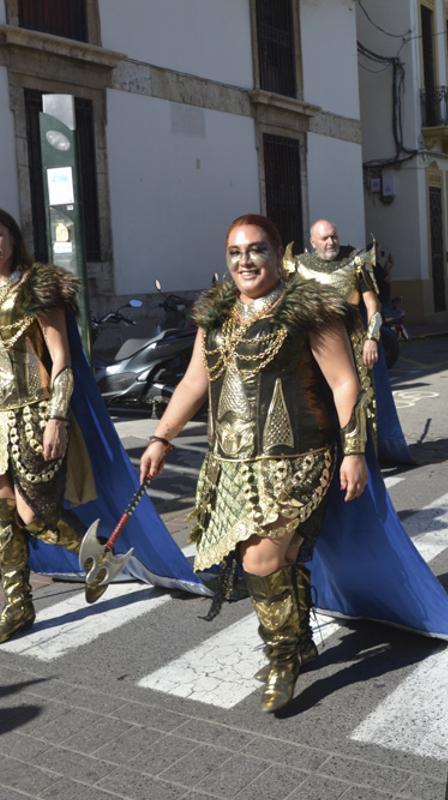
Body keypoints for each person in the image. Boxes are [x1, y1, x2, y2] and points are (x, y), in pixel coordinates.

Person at [0, 207, 202, 648]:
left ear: (13, 237)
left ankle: (104, 556)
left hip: (36, 413)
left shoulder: (37, 288)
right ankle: (17, 605)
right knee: (0, 512)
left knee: (35, 515)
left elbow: (61, 360)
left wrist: (57, 418)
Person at [139, 213, 365, 714]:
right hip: (232, 464)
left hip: (297, 460)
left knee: (258, 560)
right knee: (282, 559)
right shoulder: (216, 317)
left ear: (279, 254)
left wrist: (354, 450)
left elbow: (345, 382)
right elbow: (195, 383)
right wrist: (161, 438)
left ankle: (281, 656)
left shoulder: (309, 309)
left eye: (256, 249)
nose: (245, 260)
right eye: (236, 252)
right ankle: (301, 640)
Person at [284, 219, 412, 464]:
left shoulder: (355, 261)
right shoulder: (299, 267)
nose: (331, 242)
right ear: (313, 242)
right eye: (325, 238)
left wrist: (372, 338)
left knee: (358, 402)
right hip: (314, 345)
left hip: (353, 342)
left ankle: (364, 457)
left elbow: (372, 304)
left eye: (334, 236)